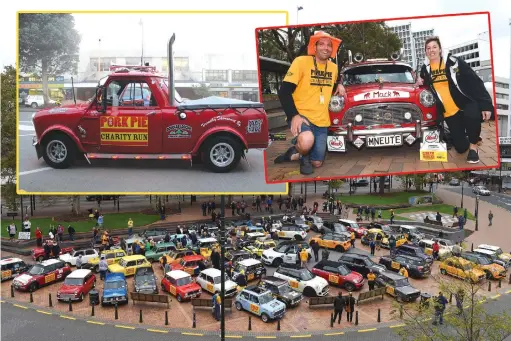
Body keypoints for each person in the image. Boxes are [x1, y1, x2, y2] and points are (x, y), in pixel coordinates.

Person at [274, 31, 344, 175]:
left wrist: (339, 85)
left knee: (317, 163)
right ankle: (303, 156)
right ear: (315, 46)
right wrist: (294, 116)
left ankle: (294, 152)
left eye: (329, 45)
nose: (326, 48)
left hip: (322, 120)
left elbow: (333, 82)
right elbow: (283, 92)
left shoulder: (333, 67)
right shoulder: (301, 62)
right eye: (322, 44)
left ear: (332, 49)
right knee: (306, 140)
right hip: (302, 116)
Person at [418, 36, 494, 164]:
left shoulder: (454, 62)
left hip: (465, 103)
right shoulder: (426, 69)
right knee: (460, 147)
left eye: (434, 47)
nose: (431, 50)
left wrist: (486, 105)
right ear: (425, 51)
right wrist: (421, 82)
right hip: (449, 112)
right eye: (428, 48)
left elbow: (474, 81)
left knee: (472, 116)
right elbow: (424, 83)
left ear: (440, 49)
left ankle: (474, 147)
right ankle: (472, 135)